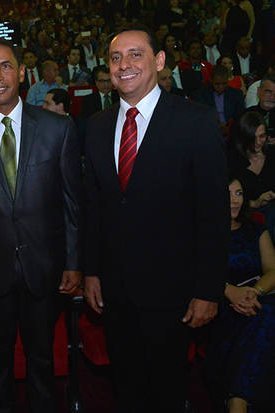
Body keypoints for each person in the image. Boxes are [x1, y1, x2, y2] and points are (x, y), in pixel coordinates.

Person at [84, 27, 229, 413]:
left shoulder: (195, 121)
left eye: (135, 55)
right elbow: (94, 205)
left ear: (159, 61)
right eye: (116, 58)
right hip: (115, 293)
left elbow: (213, 213)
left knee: (167, 391)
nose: (124, 65)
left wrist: (208, 290)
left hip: (174, 293)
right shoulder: (96, 126)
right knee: (127, 389)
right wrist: (91, 272)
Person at [0, 37, 82, 412]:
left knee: (43, 361)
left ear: (22, 72)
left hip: (46, 267)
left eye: (5, 66)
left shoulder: (59, 129)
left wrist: (73, 262)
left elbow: (73, 203)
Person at [206, 177, 275, 413]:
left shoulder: (256, 229)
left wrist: (253, 293)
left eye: (238, 193)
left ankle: (237, 401)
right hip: (220, 303)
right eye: (227, 194)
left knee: (265, 314)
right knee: (265, 317)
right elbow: (192, 273)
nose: (234, 200)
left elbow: (273, 270)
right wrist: (231, 292)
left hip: (258, 296)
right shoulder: (204, 234)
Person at [192, 65, 245, 135]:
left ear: (227, 80)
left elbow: (240, 117)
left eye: (224, 84)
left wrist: (229, 128)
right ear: (211, 80)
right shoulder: (200, 95)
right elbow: (199, 118)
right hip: (208, 131)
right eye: (217, 84)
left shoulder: (236, 94)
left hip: (232, 132)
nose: (221, 87)